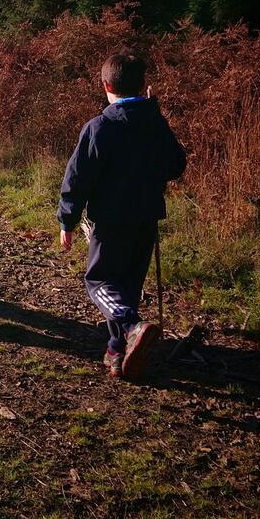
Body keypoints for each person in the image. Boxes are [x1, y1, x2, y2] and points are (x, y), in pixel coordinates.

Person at [58, 52, 187, 380]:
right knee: (126, 287)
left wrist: (67, 221)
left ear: (105, 85)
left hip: (111, 222)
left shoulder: (98, 128)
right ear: (143, 86)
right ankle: (118, 351)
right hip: (146, 220)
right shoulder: (154, 122)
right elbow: (176, 165)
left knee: (99, 281)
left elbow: (77, 179)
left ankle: (131, 327)